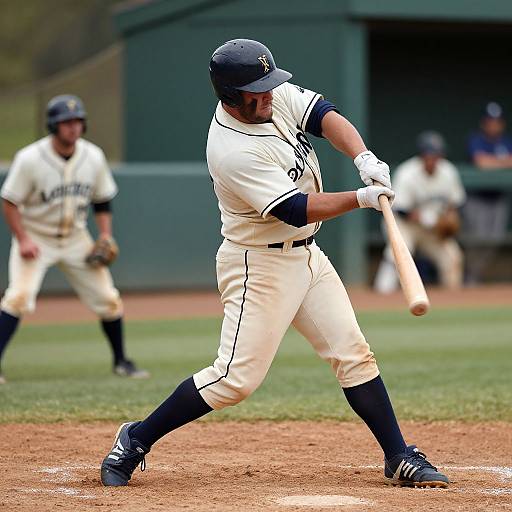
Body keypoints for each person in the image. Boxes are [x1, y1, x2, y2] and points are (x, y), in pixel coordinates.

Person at [100, 39, 448, 489]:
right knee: (234, 380)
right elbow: (295, 209)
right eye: (256, 92)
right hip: (258, 267)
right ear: (229, 97)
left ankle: (398, 455)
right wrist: (361, 198)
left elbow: (324, 115)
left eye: (269, 85)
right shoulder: (230, 150)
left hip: (306, 255)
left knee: (354, 354)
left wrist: (362, 157)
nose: (268, 95)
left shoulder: (269, 93)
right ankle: (136, 438)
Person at [0, 94, 148, 384]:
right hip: (36, 237)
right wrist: (23, 238)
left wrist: (105, 235)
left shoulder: (92, 156)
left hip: (75, 238)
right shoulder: (30, 158)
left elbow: (102, 201)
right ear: (53, 126)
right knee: (17, 297)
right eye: (66, 122)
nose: (73, 127)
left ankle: (121, 362)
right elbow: (10, 201)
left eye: (78, 121)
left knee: (109, 300)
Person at [374, 131, 466, 293]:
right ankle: (382, 294)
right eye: (429, 155)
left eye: (436, 155)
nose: (432, 159)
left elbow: (455, 203)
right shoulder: (407, 173)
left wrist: (449, 216)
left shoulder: (448, 172)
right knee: (397, 255)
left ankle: (453, 302)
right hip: (404, 225)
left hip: (433, 229)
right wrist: (426, 219)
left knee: (452, 257)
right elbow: (401, 210)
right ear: (422, 155)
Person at [465, 102, 512, 283]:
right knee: (477, 239)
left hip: (498, 199)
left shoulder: (506, 141)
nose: (493, 125)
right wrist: (503, 162)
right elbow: (481, 162)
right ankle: (470, 277)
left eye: (497, 121)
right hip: (477, 199)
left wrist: (493, 163)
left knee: (494, 239)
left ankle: (474, 275)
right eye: (490, 121)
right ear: (484, 123)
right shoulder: (476, 139)